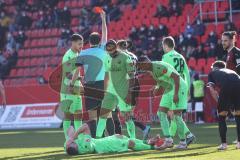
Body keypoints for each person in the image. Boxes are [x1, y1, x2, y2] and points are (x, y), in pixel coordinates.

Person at [75, 11, 114, 138]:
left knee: (93, 116)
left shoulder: (83, 53)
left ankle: (98, 140)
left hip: (89, 86)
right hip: (103, 84)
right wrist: (103, 19)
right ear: (99, 41)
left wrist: (76, 81)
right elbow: (105, 33)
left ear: (89, 42)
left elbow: (77, 70)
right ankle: (112, 138)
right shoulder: (103, 49)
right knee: (107, 114)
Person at [137, 56, 190, 149]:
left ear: (146, 63)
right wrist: (157, 91)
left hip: (179, 87)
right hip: (170, 89)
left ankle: (183, 142)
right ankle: (168, 140)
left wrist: (176, 94)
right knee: (161, 113)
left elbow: (176, 77)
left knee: (177, 116)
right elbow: (162, 84)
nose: (141, 69)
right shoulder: (152, 71)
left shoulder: (158, 67)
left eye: (141, 67)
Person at [96, 39, 136, 139]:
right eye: (108, 51)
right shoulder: (106, 58)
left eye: (112, 50)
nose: (111, 53)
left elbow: (132, 76)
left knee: (126, 117)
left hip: (123, 91)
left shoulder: (126, 57)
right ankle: (96, 139)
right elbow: (106, 76)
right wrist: (104, 92)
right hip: (110, 92)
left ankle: (133, 139)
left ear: (116, 48)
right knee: (102, 115)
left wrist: (130, 93)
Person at [161, 36, 195, 146]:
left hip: (173, 87)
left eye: (163, 45)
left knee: (175, 114)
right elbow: (187, 74)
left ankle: (182, 139)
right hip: (180, 86)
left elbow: (163, 74)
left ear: (165, 45)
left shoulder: (166, 56)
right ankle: (171, 138)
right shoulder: (181, 56)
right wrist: (188, 89)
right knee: (165, 112)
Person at [116, 40, 151, 140]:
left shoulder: (121, 57)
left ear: (118, 46)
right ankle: (143, 129)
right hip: (136, 83)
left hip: (127, 85)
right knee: (128, 113)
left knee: (125, 114)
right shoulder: (133, 55)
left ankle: (134, 137)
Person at [207, 61, 240, 150]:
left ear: (215, 67)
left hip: (226, 86)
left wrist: (220, 103)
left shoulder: (212, 73)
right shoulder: (232, 71)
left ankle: (224, 144)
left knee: (222, 116)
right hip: (238, 83)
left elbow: (212, 91)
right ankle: (239, 143)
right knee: (238, 115)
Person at [65, 123, 154, 155]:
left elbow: (71, 128)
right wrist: (72, 138)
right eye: (73, 143)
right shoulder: (86, 146)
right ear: (75, 147)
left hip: (107, 140)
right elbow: (85, 126)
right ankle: (154, 147)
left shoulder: (69, 146)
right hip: (109, 145)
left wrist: (69, 139)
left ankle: (148, 142)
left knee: (124, 137)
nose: (74, 142)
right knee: (130, 143)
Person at [60, 34, 84, 140]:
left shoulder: (78, 55)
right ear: (73, 43)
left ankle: (79, 139)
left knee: (79, 115)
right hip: (68, 89)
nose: (81, 46)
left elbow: (76, 73)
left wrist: (79, 80)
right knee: (68, 116)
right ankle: (67, 140)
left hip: (76, 88)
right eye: (79, 44)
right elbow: (67, 74)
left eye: (82, 43)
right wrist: (76, 80)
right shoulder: (68, 56)